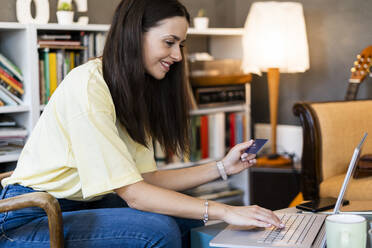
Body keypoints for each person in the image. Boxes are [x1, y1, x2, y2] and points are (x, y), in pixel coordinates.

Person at [0, 0, 283, 247]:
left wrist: (222, 167)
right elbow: (135, 195)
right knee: (158, 231)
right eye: (169, 42)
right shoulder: (88, 85)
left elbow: (144, 180)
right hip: (30, 217)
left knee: (182, 219)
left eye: (180, 45)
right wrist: (225, 211)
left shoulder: (133, 92)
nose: (178, 56)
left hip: (78, 207)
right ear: (135, 34)